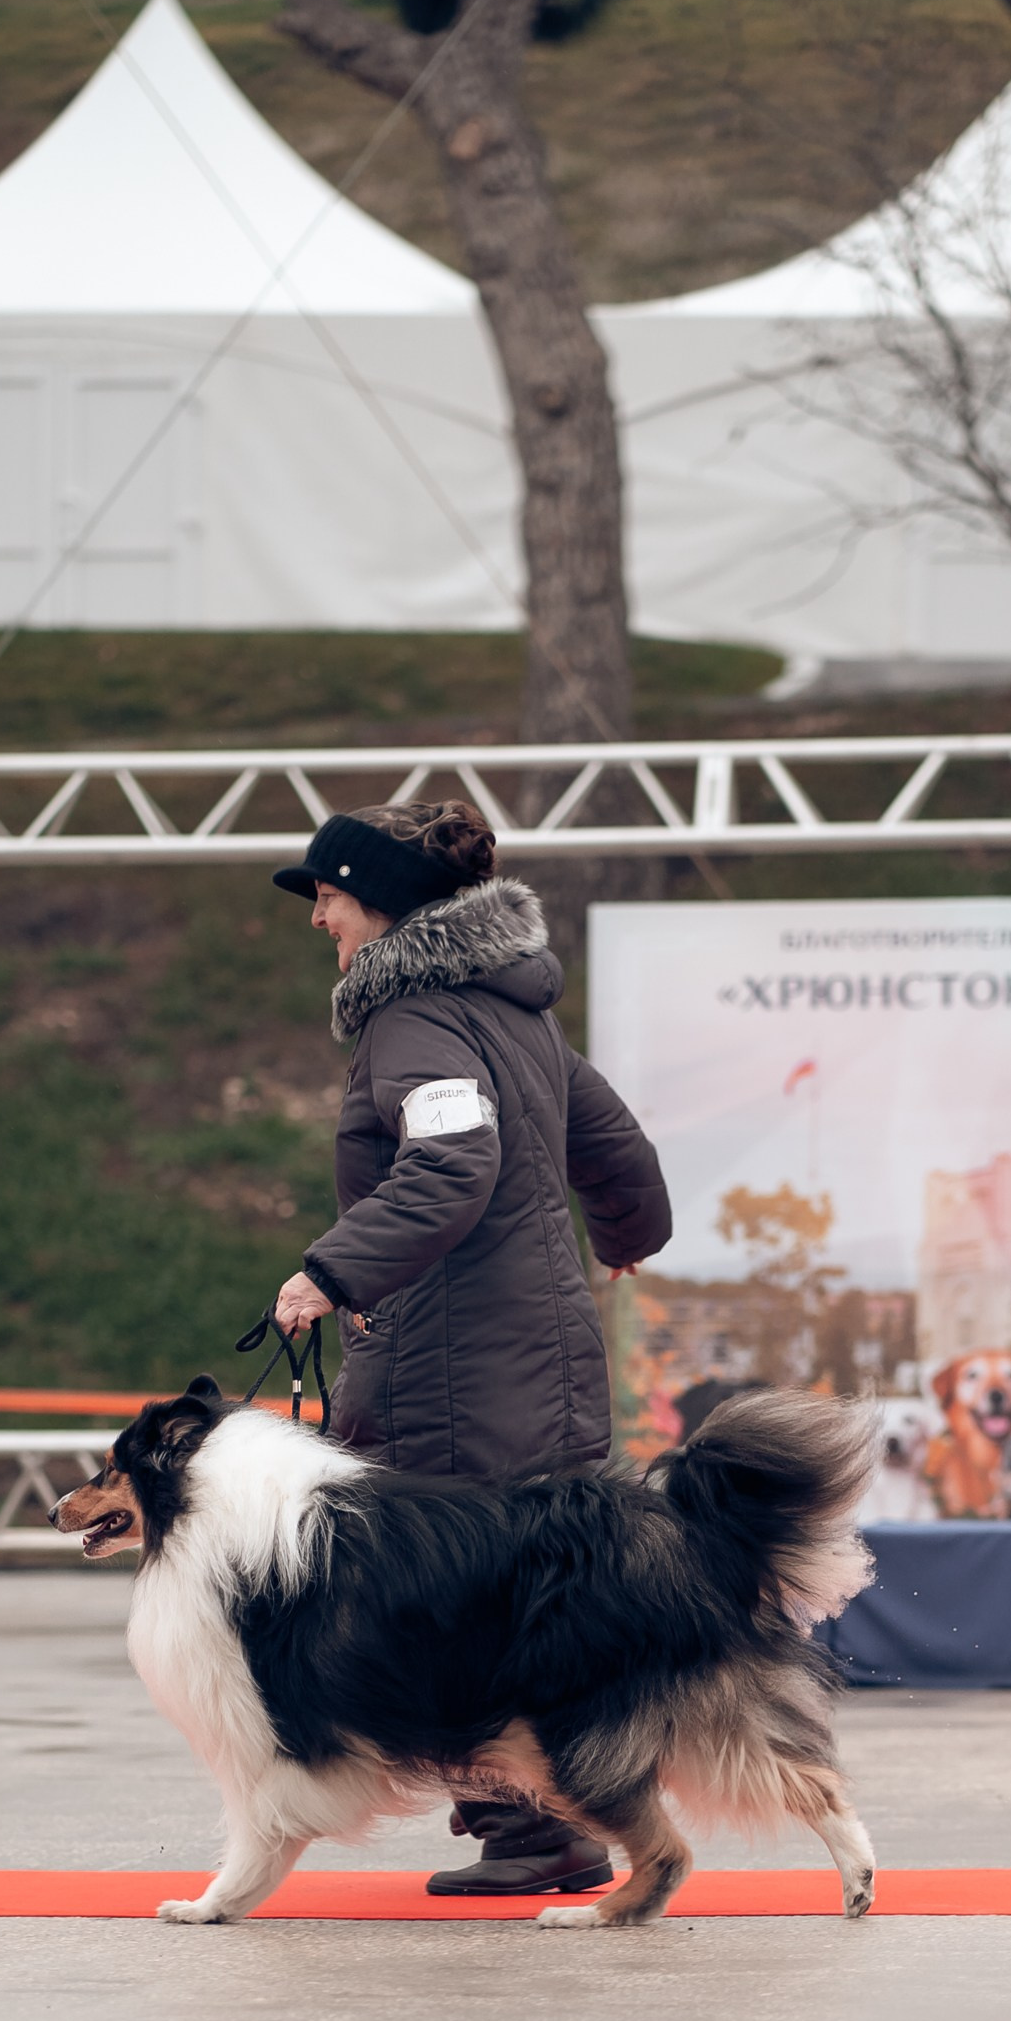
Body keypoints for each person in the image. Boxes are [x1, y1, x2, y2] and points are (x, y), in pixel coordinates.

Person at [268, 799, 672, 1895]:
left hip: (453, 1366)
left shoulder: (413, 1022)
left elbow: (453, 1166)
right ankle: (561, 1818)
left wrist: (332, 1270)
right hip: (541, 1349)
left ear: (383, 904)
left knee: (446, 1600)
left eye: (330, 896)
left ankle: (535, 1832)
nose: (319, 919)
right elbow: (610, 1138)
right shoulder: (512, 1012)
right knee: (529, 1597)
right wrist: (629, 1232)